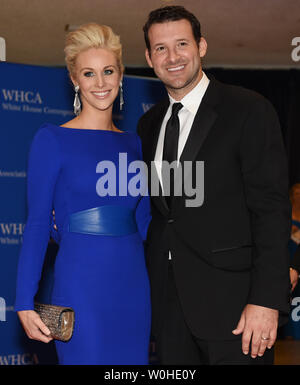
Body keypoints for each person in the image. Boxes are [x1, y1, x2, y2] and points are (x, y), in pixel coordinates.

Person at [137, 6, 291, 365]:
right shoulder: (148, 124)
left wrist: (267, 299)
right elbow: (164, 214)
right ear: (148, 57)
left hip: (236, 307)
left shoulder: (249, 109)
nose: (172, 57)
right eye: (160, 48)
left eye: (181, 44)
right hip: (169, 309)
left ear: (201, 46)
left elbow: (270, 209)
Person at [14, 23, 151, 365]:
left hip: (134, 284)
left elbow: (146, 222)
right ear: (75, 79)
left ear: (121, 75)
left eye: (108, 71)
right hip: (82, 284)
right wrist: (23, 301)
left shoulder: (134, 144)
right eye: (89, 74)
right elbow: (36, 225)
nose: (100, 83)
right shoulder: (52, 140)